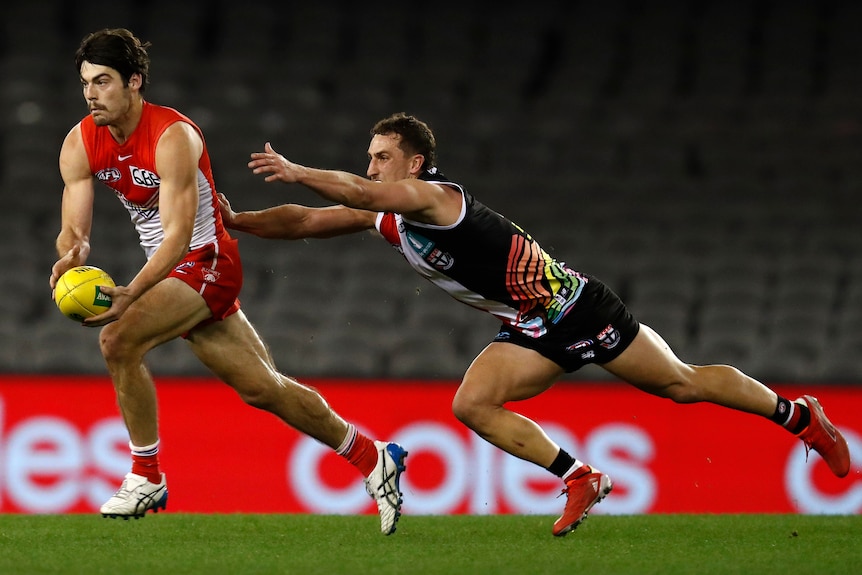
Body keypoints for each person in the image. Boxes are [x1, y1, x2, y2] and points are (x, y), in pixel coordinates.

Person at [219, 112, 852, 537]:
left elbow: (361, 194)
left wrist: (302, 170)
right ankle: (581, 477)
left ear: (414, 165)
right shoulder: (387, 215)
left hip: (577, 307)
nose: (373, 166)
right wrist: (240, 221)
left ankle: (799, 417)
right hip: (531, 323)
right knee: (473, 404)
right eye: (369, 158)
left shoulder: (439, 199)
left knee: (680, 385)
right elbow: (305, 222)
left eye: (383, 158)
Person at [49, 29, 407, 535]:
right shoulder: (80, 142)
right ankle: (374, 458)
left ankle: (146, 474)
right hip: (173, 271)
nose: (91, 93)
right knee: (265, 389)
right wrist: (72, 254)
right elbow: (74, 230)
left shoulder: (174, 136)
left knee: (118, 340)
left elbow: (176, 237)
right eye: (85, 82)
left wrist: (132, 292)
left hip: (205, 260)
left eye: (103, 81)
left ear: (134, 82)